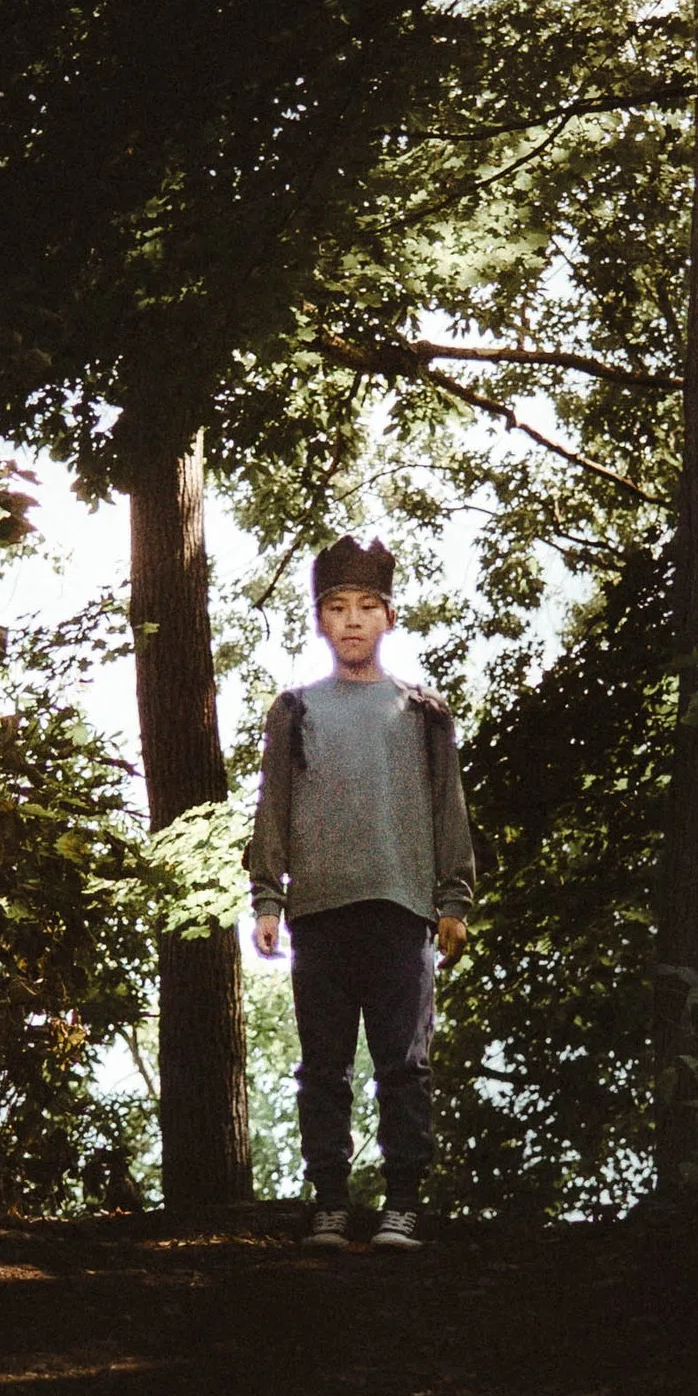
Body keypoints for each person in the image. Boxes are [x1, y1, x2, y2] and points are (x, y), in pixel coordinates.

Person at [247, 534, 475, 1255]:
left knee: (404, 1064)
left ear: (388, 617)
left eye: (366, 607)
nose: (351, 621)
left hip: (403, 911)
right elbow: (273, 809)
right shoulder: (295, 710)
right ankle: (330, 1204)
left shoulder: (422, 711)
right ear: (320, 620)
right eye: (337, 608)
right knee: (323, 1066)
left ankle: (403, 1202)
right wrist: (267, 901)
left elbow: (449, 809)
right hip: (319, 910)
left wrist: (454, 900)